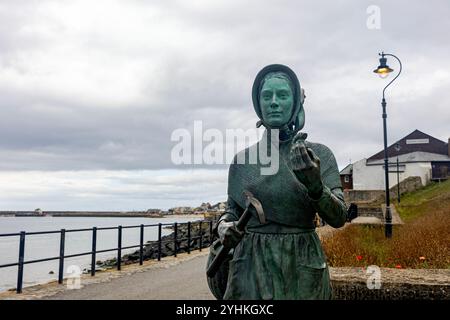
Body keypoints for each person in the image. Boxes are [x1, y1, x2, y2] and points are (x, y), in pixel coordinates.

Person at [209, 64, 347, 300]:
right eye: (267, 96)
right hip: (249, 265)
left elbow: (338, 217)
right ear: (258, 104)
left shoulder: (320, 155)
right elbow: (231, 211)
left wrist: (315, 186)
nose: (273, 102)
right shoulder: (242, 161)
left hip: (302, 263)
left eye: (282, 95)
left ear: (295, 103)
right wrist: (224, 227)